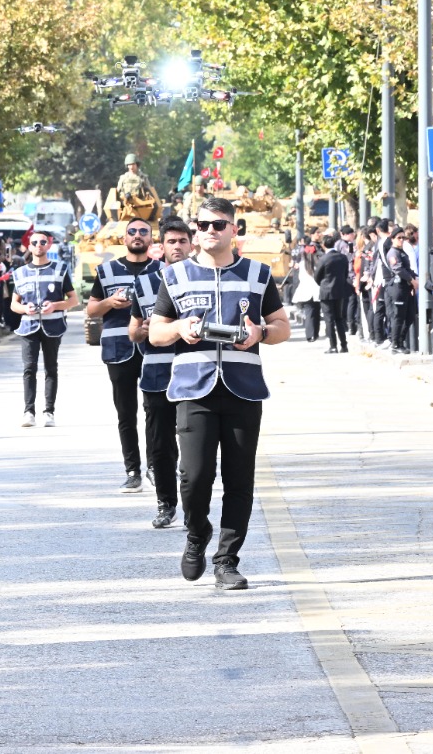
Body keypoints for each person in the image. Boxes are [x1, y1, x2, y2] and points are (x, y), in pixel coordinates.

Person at [147, 197, 290, 591]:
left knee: (239, 479)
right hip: (194, 388)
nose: (211, 230)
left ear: (234, 229)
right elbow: (155, 332)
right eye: (204, 224)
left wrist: (260, 333)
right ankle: (197, 534)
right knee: (193, 478)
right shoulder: (175, 276)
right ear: (195, 229)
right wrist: (179, 330)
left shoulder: (258, 275)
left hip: (243, 389)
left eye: (220, 224)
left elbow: (282, 327)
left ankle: (227, 561)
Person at [128, 219, 194, 529]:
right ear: (161, 246)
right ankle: (166, 504)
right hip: (156, 375)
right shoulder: (143, 283)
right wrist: (142, 331)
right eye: (172, 242)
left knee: (194, 446)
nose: (177, 247)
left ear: (191, 244)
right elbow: (135, 331)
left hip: (195, 375)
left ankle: (194, 504)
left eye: (182, 241)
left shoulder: (204, 279)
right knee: (160, 445)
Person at [85, 218, 156, 492]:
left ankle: (154, 466)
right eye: (132, 232)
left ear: (151, 238)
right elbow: (91, 310)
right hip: (119, 349)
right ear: (123, 238)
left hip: (153, 348)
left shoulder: (162, 271)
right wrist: (108, 303)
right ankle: (133, 470)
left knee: (155, 411)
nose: (137, 236)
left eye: (143, 232)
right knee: (126, 413)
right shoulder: (107, 271)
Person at [10, 232, 76, 427]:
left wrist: (55, 306)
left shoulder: (60, 269)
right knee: (29, 368)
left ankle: (49, 411)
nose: (38, 245)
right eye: (34, 242)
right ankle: (28, 411)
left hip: (53, 326)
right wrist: (24, 309)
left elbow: (73, 300)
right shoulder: (20, 272)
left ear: (48, 245)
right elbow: (14, 304)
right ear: (29, 246)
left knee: (51, 368)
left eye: (42, 242)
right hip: (29, 326)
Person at [314, 234, 353, 354]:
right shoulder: (342, 257)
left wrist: (323, 283)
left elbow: (317, 276)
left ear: (324, 245)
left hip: (326, 291)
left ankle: (333, 346)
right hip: (339, 290)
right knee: (339, 318)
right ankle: (344, 345)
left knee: (329, 319)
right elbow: (346, 274)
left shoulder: (323, 259)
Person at [115, 154, 156, 219]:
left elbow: (149, 192)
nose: (131, 167)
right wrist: (124, 197)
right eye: (129, 165)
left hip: (141, 206)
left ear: (137, 165)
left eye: (133, 164)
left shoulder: (143, 178)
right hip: (126, 205)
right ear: (127, 166)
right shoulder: (123, 178)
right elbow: (118, 192)